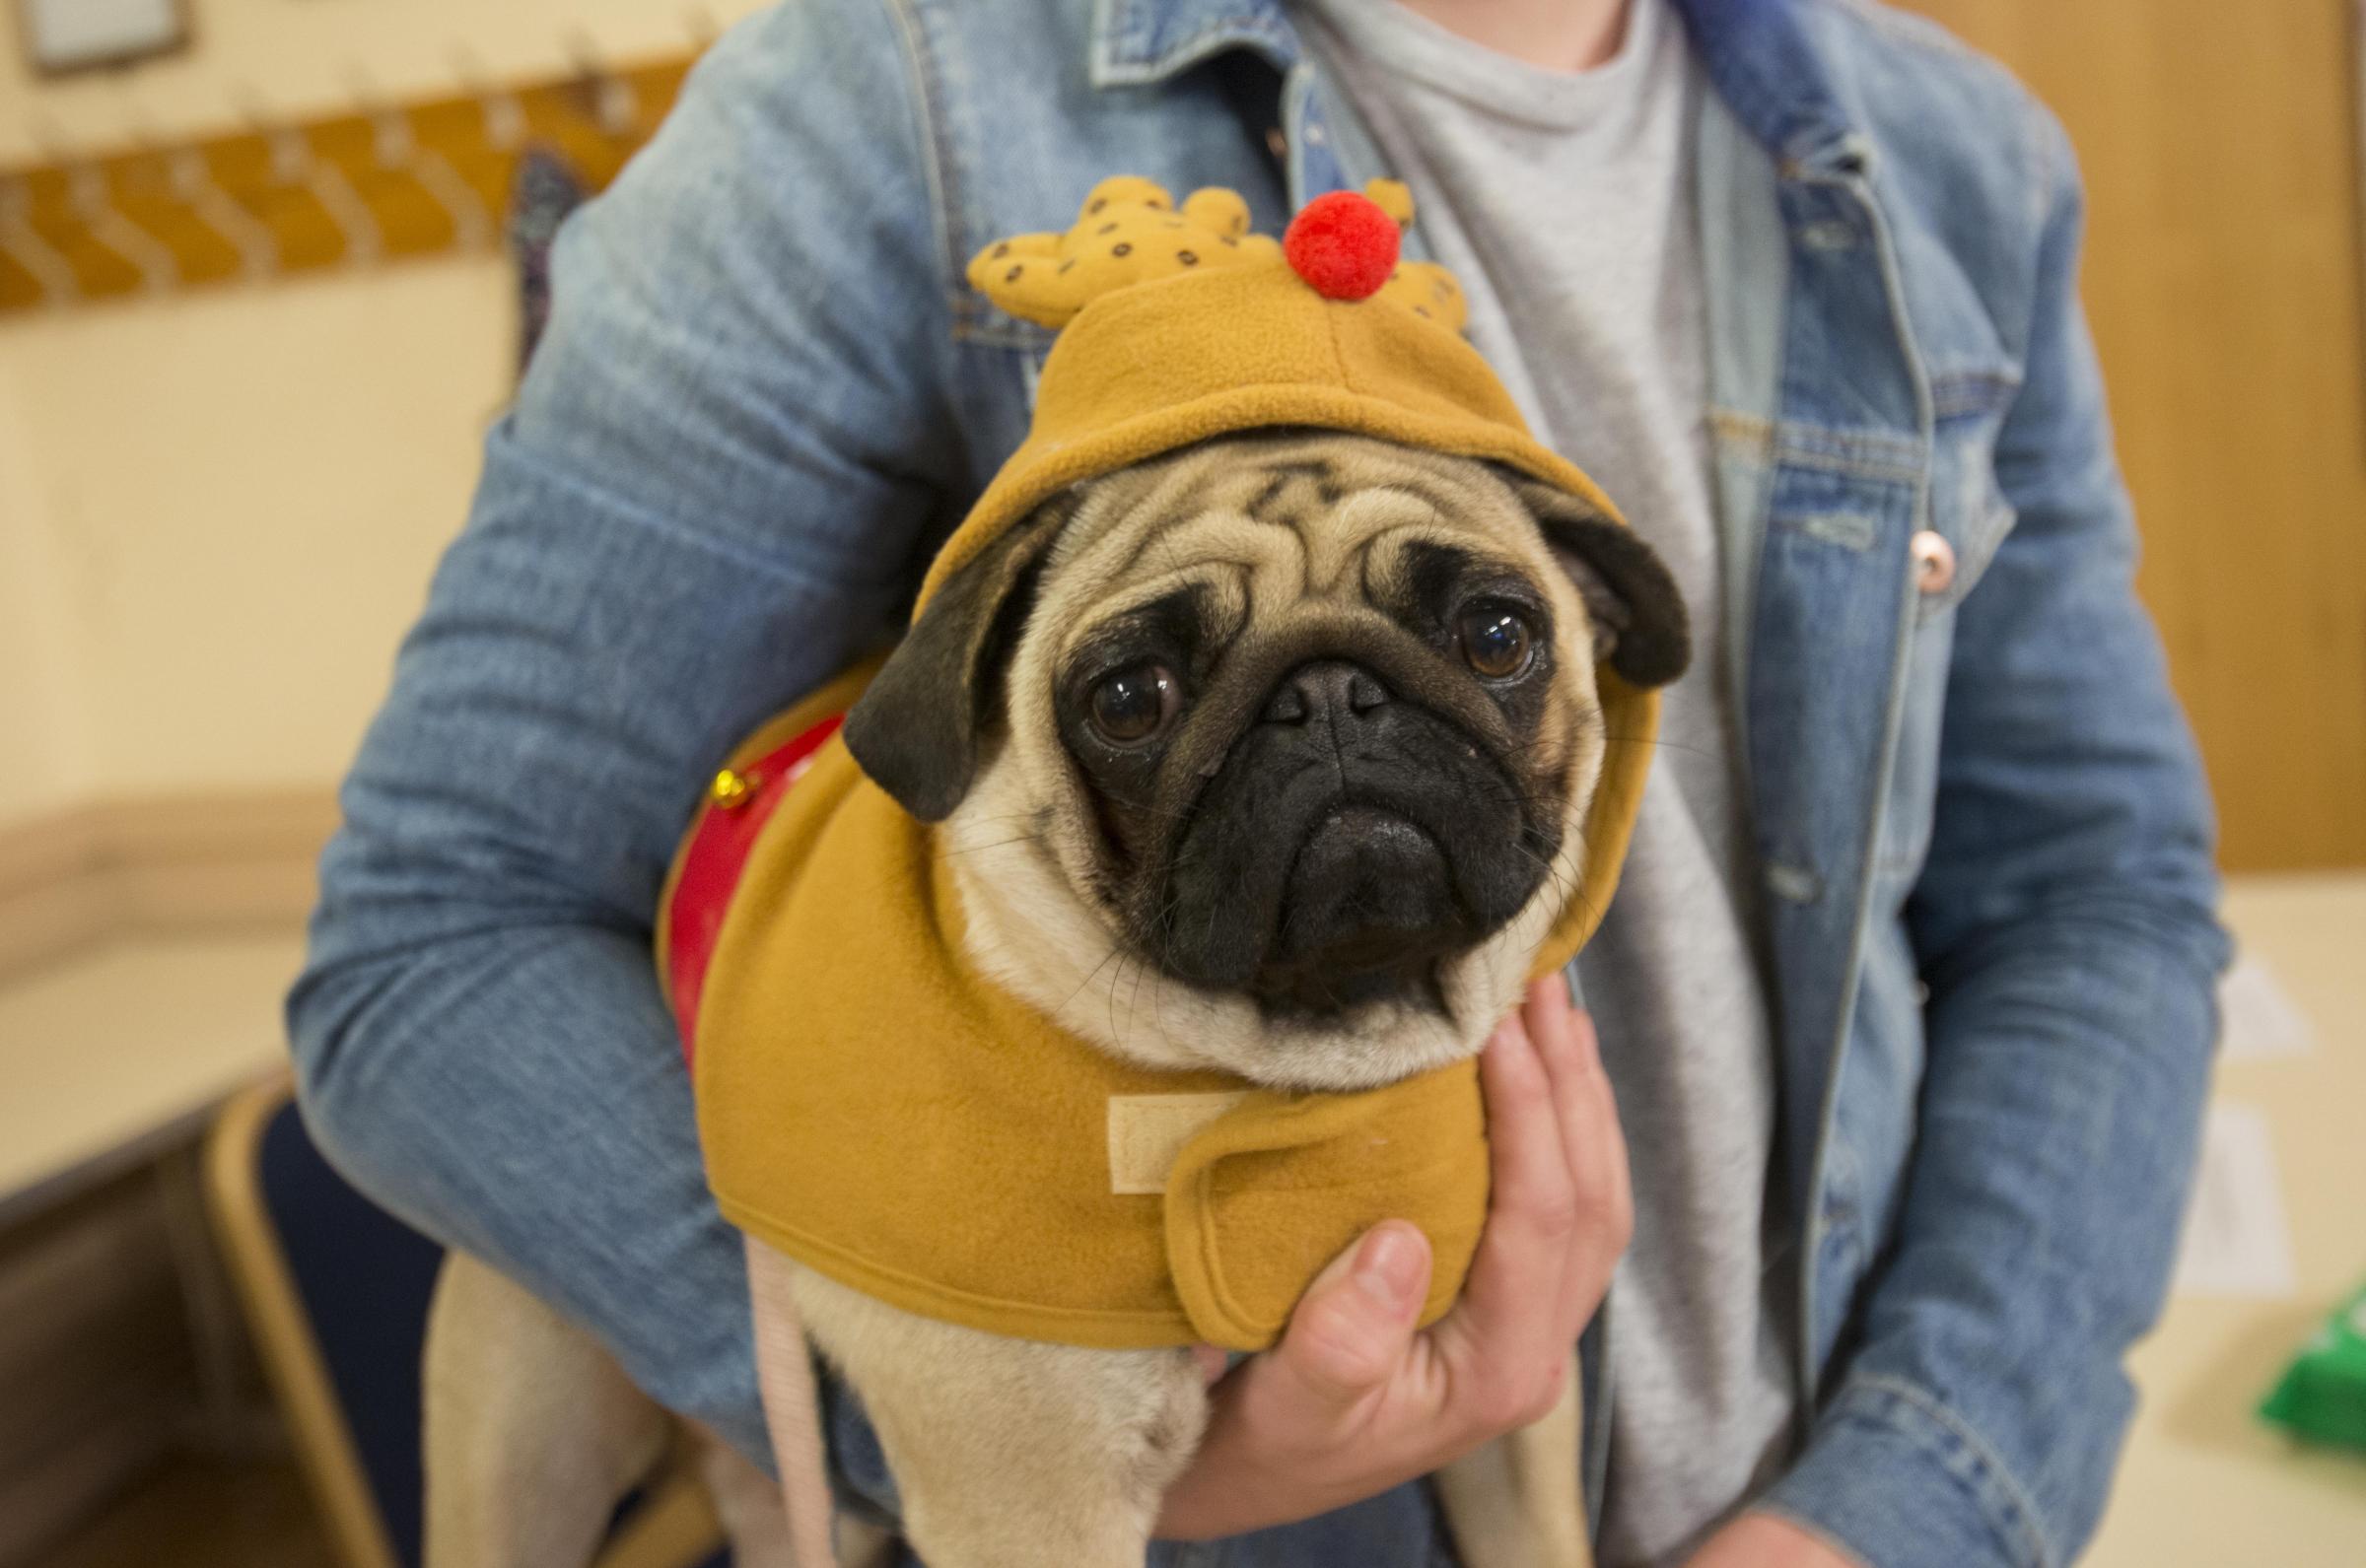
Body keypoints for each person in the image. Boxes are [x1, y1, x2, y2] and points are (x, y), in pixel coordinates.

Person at [285, 0, 2228, 1563]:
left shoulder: (1952, 164)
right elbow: (429, 948)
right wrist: (1013, 1436)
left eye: (1467, 645)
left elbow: (2090, 901)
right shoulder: (875, 103)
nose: (1332, 731)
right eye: (1156, 685)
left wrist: (1900, 1506)